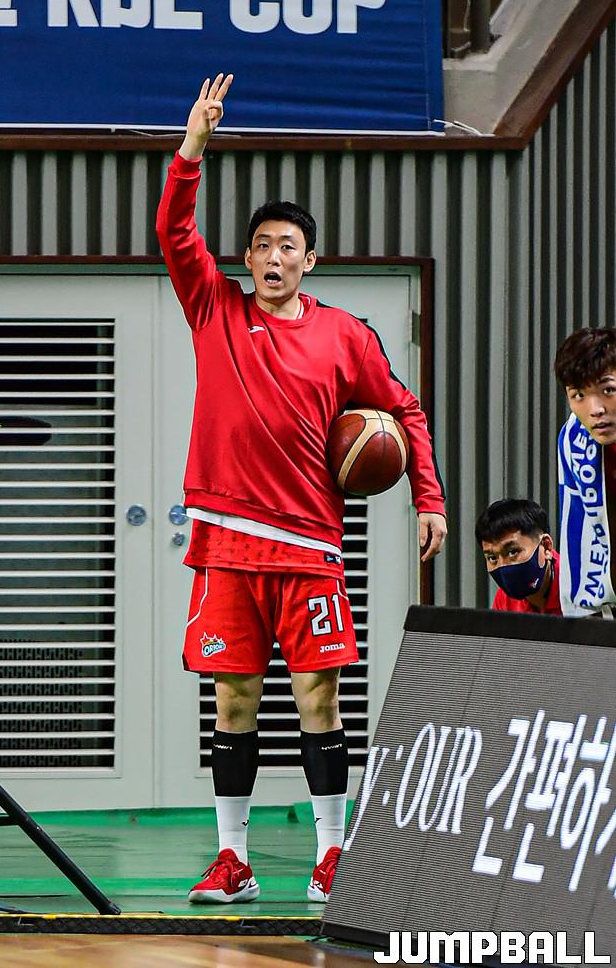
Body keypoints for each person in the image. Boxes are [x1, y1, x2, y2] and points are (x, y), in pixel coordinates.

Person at [155, 73, 447, 905]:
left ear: (309, 260)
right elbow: (174, 229)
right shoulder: (213, 307)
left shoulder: (344, 334)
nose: (274, 257)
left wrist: (427, 495)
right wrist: (194, 145)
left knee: (319, 697)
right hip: (225, 541)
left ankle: (332, 855)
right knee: (234, 700)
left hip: (310, 544)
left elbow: (403, 410)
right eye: (262, 245)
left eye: (289, 245)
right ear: (246, 258)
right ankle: (234, 860)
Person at [554, 326, 616, 618]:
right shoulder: (574, 438)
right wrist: (578, 612)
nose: (596, 409)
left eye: (608, 390)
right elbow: (577, 523)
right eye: (578, 395)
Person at [475, 498, 561, 615]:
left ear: (546, 546)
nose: (503, 566)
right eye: (493, 558)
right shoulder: (505, 599)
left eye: (513, 552)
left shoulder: (578, 590)